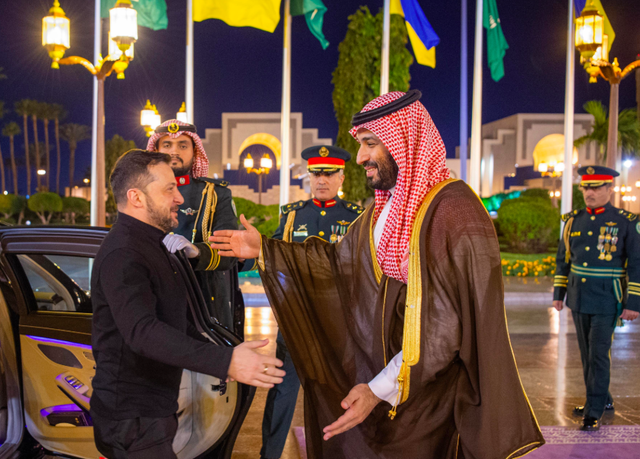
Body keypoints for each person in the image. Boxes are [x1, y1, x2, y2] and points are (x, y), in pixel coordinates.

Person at [210, 90, 544, 458]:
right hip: (382, 386)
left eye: (371, 143)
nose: (360, 157)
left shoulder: (454, 211)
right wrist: (266, 250)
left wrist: (378, 388)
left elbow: (443, 326)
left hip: (431, 399)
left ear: (404, 141)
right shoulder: (380, 210)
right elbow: (339, 265)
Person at [90, 149, 284, 458]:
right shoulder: (123, 253)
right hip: (132, 418)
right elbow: (143, 332)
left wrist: (225, 354)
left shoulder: (154, 245)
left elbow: (174, 321)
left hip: (154, 409)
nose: (180, 198)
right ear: (137, 197)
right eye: (169, 189)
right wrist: (225, 362)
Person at [261, 145, 363, 459]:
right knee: (282, 394)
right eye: (316, 172)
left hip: (338, 325)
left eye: (329, 173)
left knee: (338, 398)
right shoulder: (292, 216)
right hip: (296, 321)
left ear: (341, 176)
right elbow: (271, 255)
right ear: (309, 176)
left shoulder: (356, 217)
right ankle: (269, 455)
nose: (322, 179)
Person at [553, 165, 639, 431]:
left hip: (607, 297)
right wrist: (559, 293)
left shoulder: (627, 221)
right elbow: (563, 260)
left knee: (599, 354)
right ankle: (603, 399)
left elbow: (636, 263)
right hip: (579, 297)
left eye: (596, 187)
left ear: (610, 189)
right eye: (586, 187)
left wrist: (633, 302)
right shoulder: (572, 221)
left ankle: (593, 411)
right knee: (587, 354)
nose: (589, 192)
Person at [147, 119, 249, 332]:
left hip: (204, 308)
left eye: (183, 146)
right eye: (167, 145)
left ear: (195, 151)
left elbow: (229, 254)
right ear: (155, 150)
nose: (174, 152)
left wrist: (195, 251)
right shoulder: (141, 193)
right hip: (154, 305)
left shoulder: (215, 194)